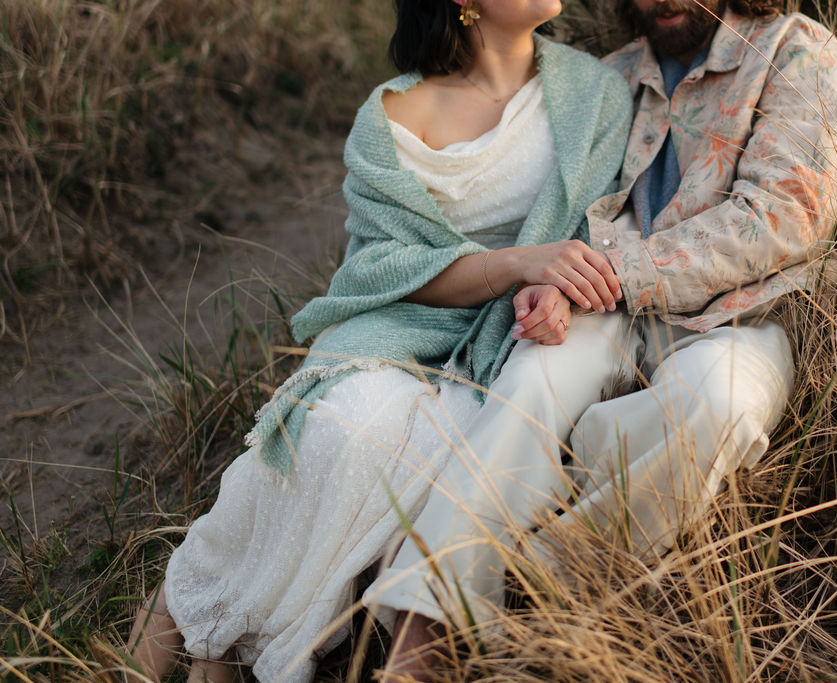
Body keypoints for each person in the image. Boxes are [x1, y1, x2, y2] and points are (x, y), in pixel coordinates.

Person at [127, 0, 636, 680]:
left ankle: (224, 640)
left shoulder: (595, 94)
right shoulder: (389, 116)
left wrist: (550, 287)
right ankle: (187, 632)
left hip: (505, 342)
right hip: (397, 327)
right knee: (341, 427)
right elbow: (382, 268)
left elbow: (601, 226)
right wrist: (518, 262)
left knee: (441, 448)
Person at [367, 0, 837, 677]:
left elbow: (781, 219)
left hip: (744, 317)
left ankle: (533, 590)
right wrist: (553, 281)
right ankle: (424, 626)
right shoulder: (611, 78)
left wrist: (610, 273)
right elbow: (569, 210)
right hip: (606, 308)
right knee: (527, 387)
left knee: (715, 408)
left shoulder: (796, 51)